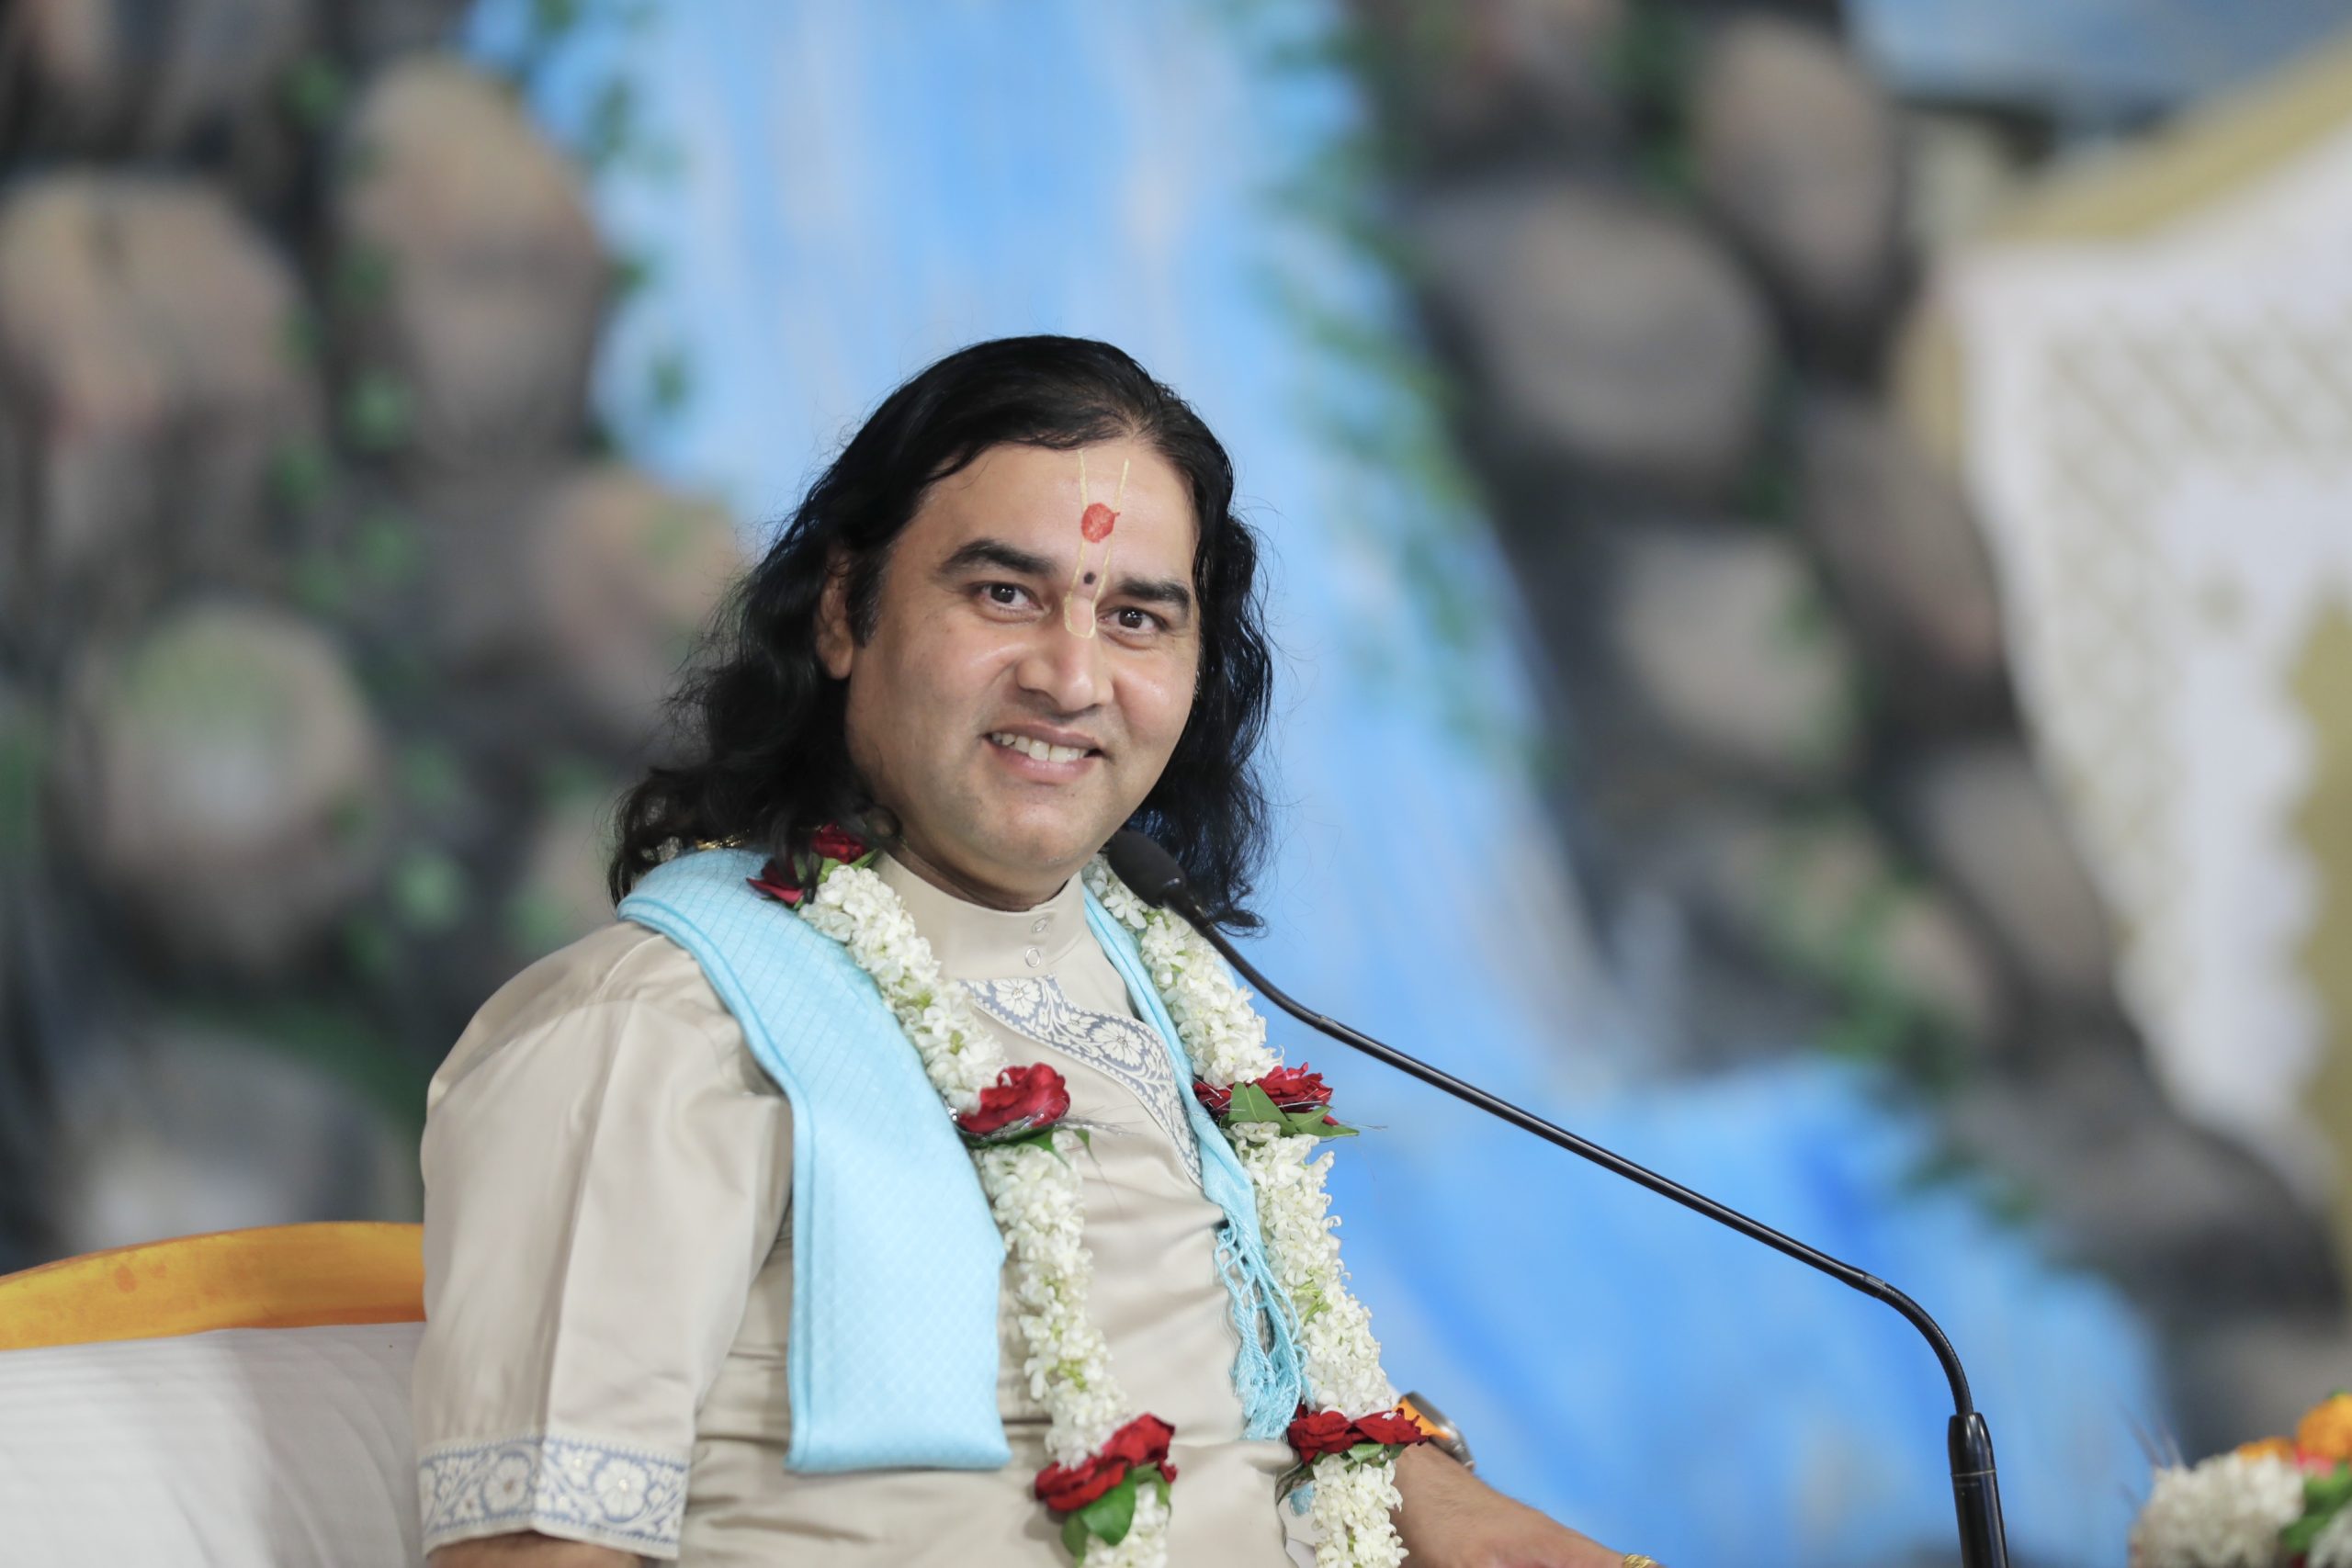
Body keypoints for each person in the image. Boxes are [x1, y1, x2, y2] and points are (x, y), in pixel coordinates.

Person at [410, 335, 1635, 1567]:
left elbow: (1224, 1397)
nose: (1072, 678)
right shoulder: (649, 1030)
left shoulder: (1158, 982)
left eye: (1136, 617)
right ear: (843, 611)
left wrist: (1425, 1484)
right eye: (1005, 594)